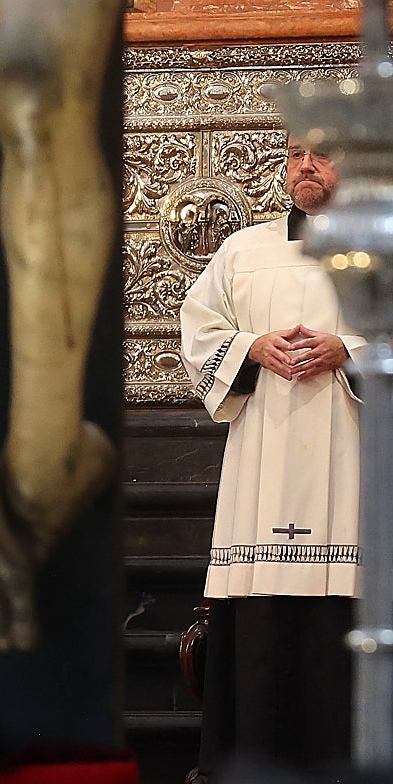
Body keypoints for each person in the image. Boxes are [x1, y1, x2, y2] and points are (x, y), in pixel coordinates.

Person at [180, 140, 364, 777]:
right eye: (294, 154)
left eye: (323, 153)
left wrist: (351, 348)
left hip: (351, 450)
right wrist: (250, 347)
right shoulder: (244, 249)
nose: (305, 165)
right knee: (261, 621)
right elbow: (200, 328)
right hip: (263, 454)